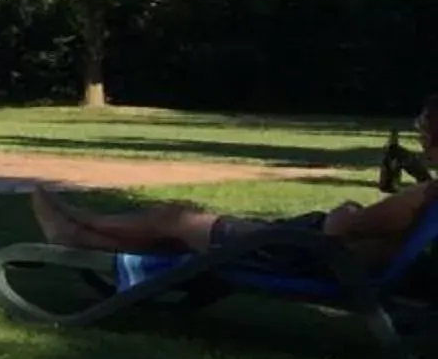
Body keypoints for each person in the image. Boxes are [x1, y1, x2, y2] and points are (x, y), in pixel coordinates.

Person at [29, 93, 438, 268]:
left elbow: (341, 226)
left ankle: (78, 221)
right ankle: (78, 236)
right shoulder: (427, 194)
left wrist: (346, 211)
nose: (419, 141)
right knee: (186, 235)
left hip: (303, 254)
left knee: (176, 220)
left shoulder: (420, 198)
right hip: (311, 250)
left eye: (423, 134)